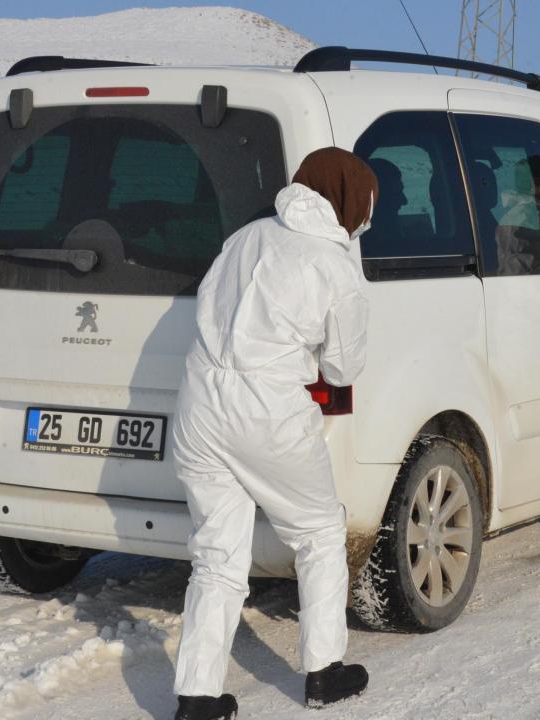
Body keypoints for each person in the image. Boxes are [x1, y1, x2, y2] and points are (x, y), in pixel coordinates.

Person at [170, 147, 377, 720]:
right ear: (347, 198)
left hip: (200, 402)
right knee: (317, 533)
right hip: (267, 411)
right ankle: (324, 672)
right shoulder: (335, 267)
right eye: (367, 205)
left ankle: (198, 697)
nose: (365, 217)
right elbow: (342, 368)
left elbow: (208, 307)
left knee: (216, 554)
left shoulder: (246, 236)